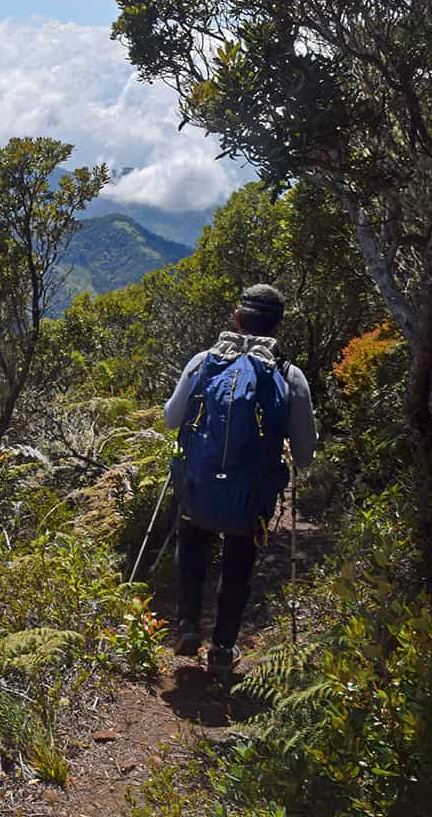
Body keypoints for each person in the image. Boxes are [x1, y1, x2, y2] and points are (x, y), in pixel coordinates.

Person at [163, 284, 317, 675]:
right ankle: (222, 648)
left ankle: (187, 624)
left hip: (199, 487)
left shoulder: (203, 362)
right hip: (250, 496)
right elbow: (305, 454)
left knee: (193, 546)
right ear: (277, 327)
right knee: (238, 565)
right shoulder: (288, 375)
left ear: (236, 318)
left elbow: (170, 418)